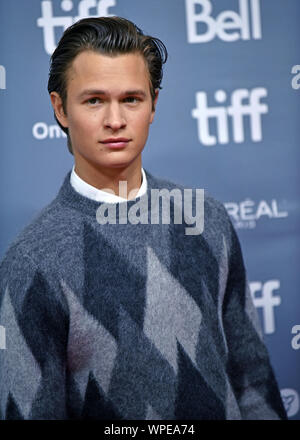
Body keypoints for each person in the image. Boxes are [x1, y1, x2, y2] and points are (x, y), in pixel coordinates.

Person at [0, 16, 287, 420]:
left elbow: (251, 378)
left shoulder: (206, 218)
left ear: (153, 104)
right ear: (60, 108)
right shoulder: (31, 261)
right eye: (94, 100)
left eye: (131, 99)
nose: (115, 120)